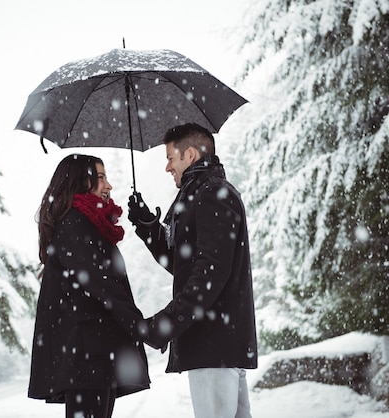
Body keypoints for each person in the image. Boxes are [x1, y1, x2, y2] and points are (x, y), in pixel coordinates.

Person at [128, 123, 258, 418]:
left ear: (189, 155)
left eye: (170, 158)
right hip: (218, 343)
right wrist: (147, 225)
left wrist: (166, 324)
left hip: (213, 344)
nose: (166, 167)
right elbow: (183, 262)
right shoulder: (202, 193)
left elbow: (208, 275)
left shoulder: (211, 194)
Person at [28, 154, 150, 418]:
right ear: (80, 181)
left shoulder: (88, 223)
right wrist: (141, 327)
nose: (109, 186)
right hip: (85, 356)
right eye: (101, 178)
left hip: (94, 353)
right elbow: (100, 283)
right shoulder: (74, 222)